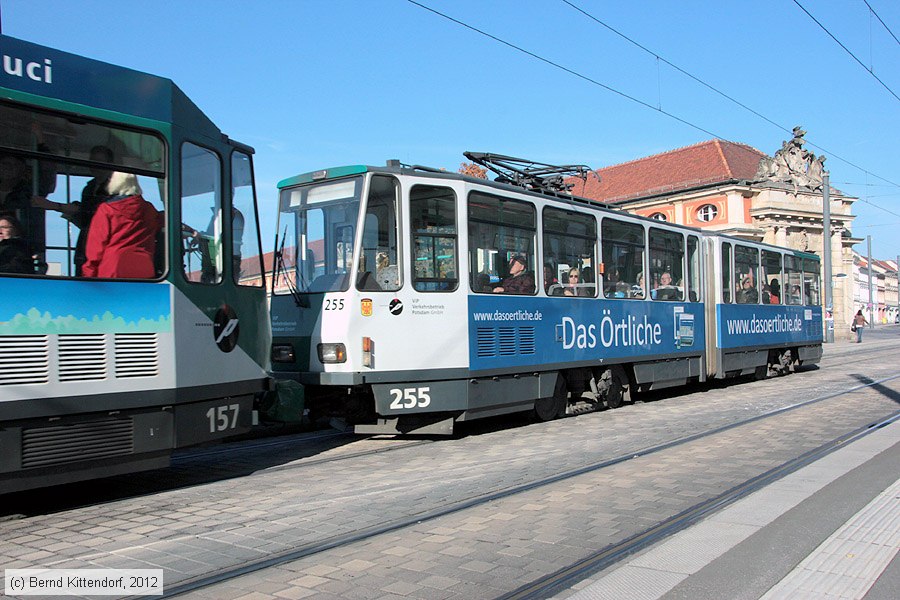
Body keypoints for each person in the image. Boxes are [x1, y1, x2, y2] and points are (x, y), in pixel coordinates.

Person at [33, 145, 114, 275]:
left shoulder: (115, 190)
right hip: (85, 248)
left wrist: (56, 206)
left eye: (99, 161)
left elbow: (94, 213)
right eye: (92, 161)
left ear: (110, 164)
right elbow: (85, 220)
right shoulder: (89, 187)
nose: (94, 165)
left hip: (104, 250)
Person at [82, 172, 161, 278]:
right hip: (145, 267)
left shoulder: (107, 209)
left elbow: (96, 247)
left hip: (113, 269)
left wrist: (88, 273)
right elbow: (161, 224)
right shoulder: (149, 209)